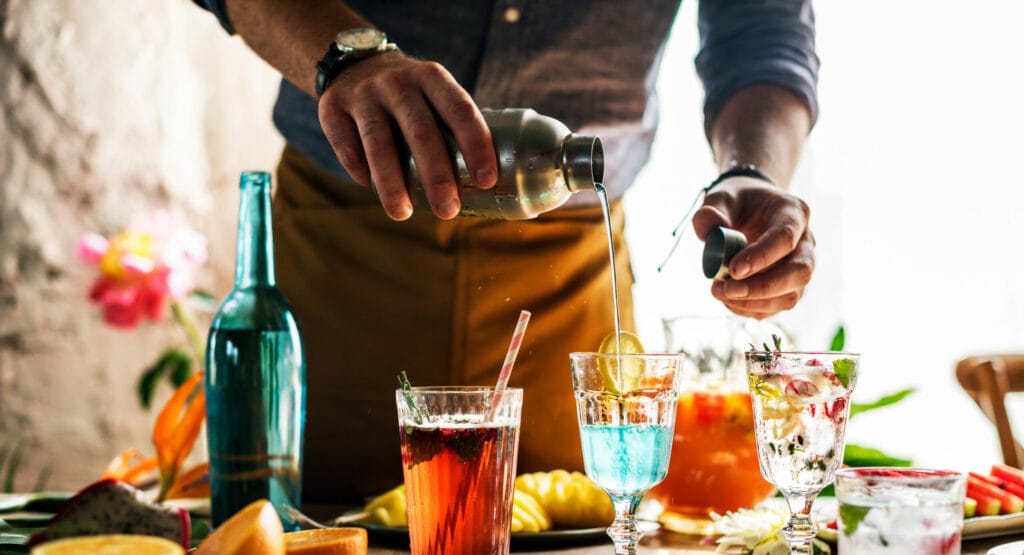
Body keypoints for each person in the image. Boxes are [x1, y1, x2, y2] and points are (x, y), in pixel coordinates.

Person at [192, 0, 819, 502]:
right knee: (305, 531)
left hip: (568, 277)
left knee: (573, 552)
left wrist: (752, 170)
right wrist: (347, 56)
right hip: (344, 251)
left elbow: (763, 30)